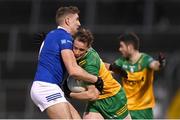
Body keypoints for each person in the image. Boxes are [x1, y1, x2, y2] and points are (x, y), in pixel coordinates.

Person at [30, 6, 103, 119]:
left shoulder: (53, 35)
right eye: (77, 19)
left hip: (51, 87)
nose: (79, 23)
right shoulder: (64, 36)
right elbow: (73, 70)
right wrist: (96, 79)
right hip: (46, 87)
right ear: (68, 21)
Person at [63, 27, 131, 119]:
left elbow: (92, 95)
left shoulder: (89, 66)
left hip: (113, 99)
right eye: (75, 48)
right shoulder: (83, 50)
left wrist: (69, 94)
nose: (77, 52)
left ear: (88, 48)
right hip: (96, 102)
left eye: (81, 50)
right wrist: (111, 67)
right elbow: (99, 64)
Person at [106, 32, 166, 119]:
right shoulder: (121, 62)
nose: (120, 49)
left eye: (121, 46)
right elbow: (109, 72)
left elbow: (155, 65)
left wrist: (161, 63)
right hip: (126, 109)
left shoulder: (145, 60)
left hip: (144, 110)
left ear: (130, 47)